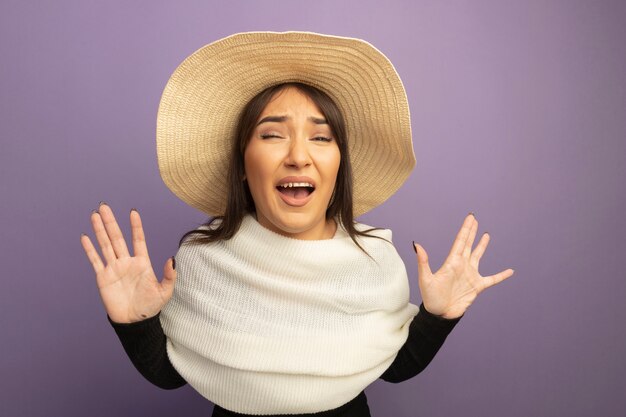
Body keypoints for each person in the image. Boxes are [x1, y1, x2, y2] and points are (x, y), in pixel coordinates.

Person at [80, 32, 514, 416]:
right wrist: (134, 321)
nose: (298, 156)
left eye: (321, 137)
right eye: (272, 135)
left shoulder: (374, 259)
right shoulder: (202, 257)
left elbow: (393, 368)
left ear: (339, 164)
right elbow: (173, 375)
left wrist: (437, 317)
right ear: (243, 165)